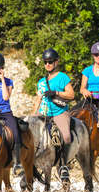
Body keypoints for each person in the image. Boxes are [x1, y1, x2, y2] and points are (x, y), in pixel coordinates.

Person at [31, 48, 75, 181]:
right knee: (28, 133)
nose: (48, 65)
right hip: (43, 112)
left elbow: (71, 95)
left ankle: (64, 165)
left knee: (66, 137)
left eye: (50, 62)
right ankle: (27, 164)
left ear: (56, 62)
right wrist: (32, 116)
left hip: (59, 112)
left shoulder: (63, 77)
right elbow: (38, 99)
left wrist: (56, 93)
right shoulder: (41, 82)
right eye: (45, 62)